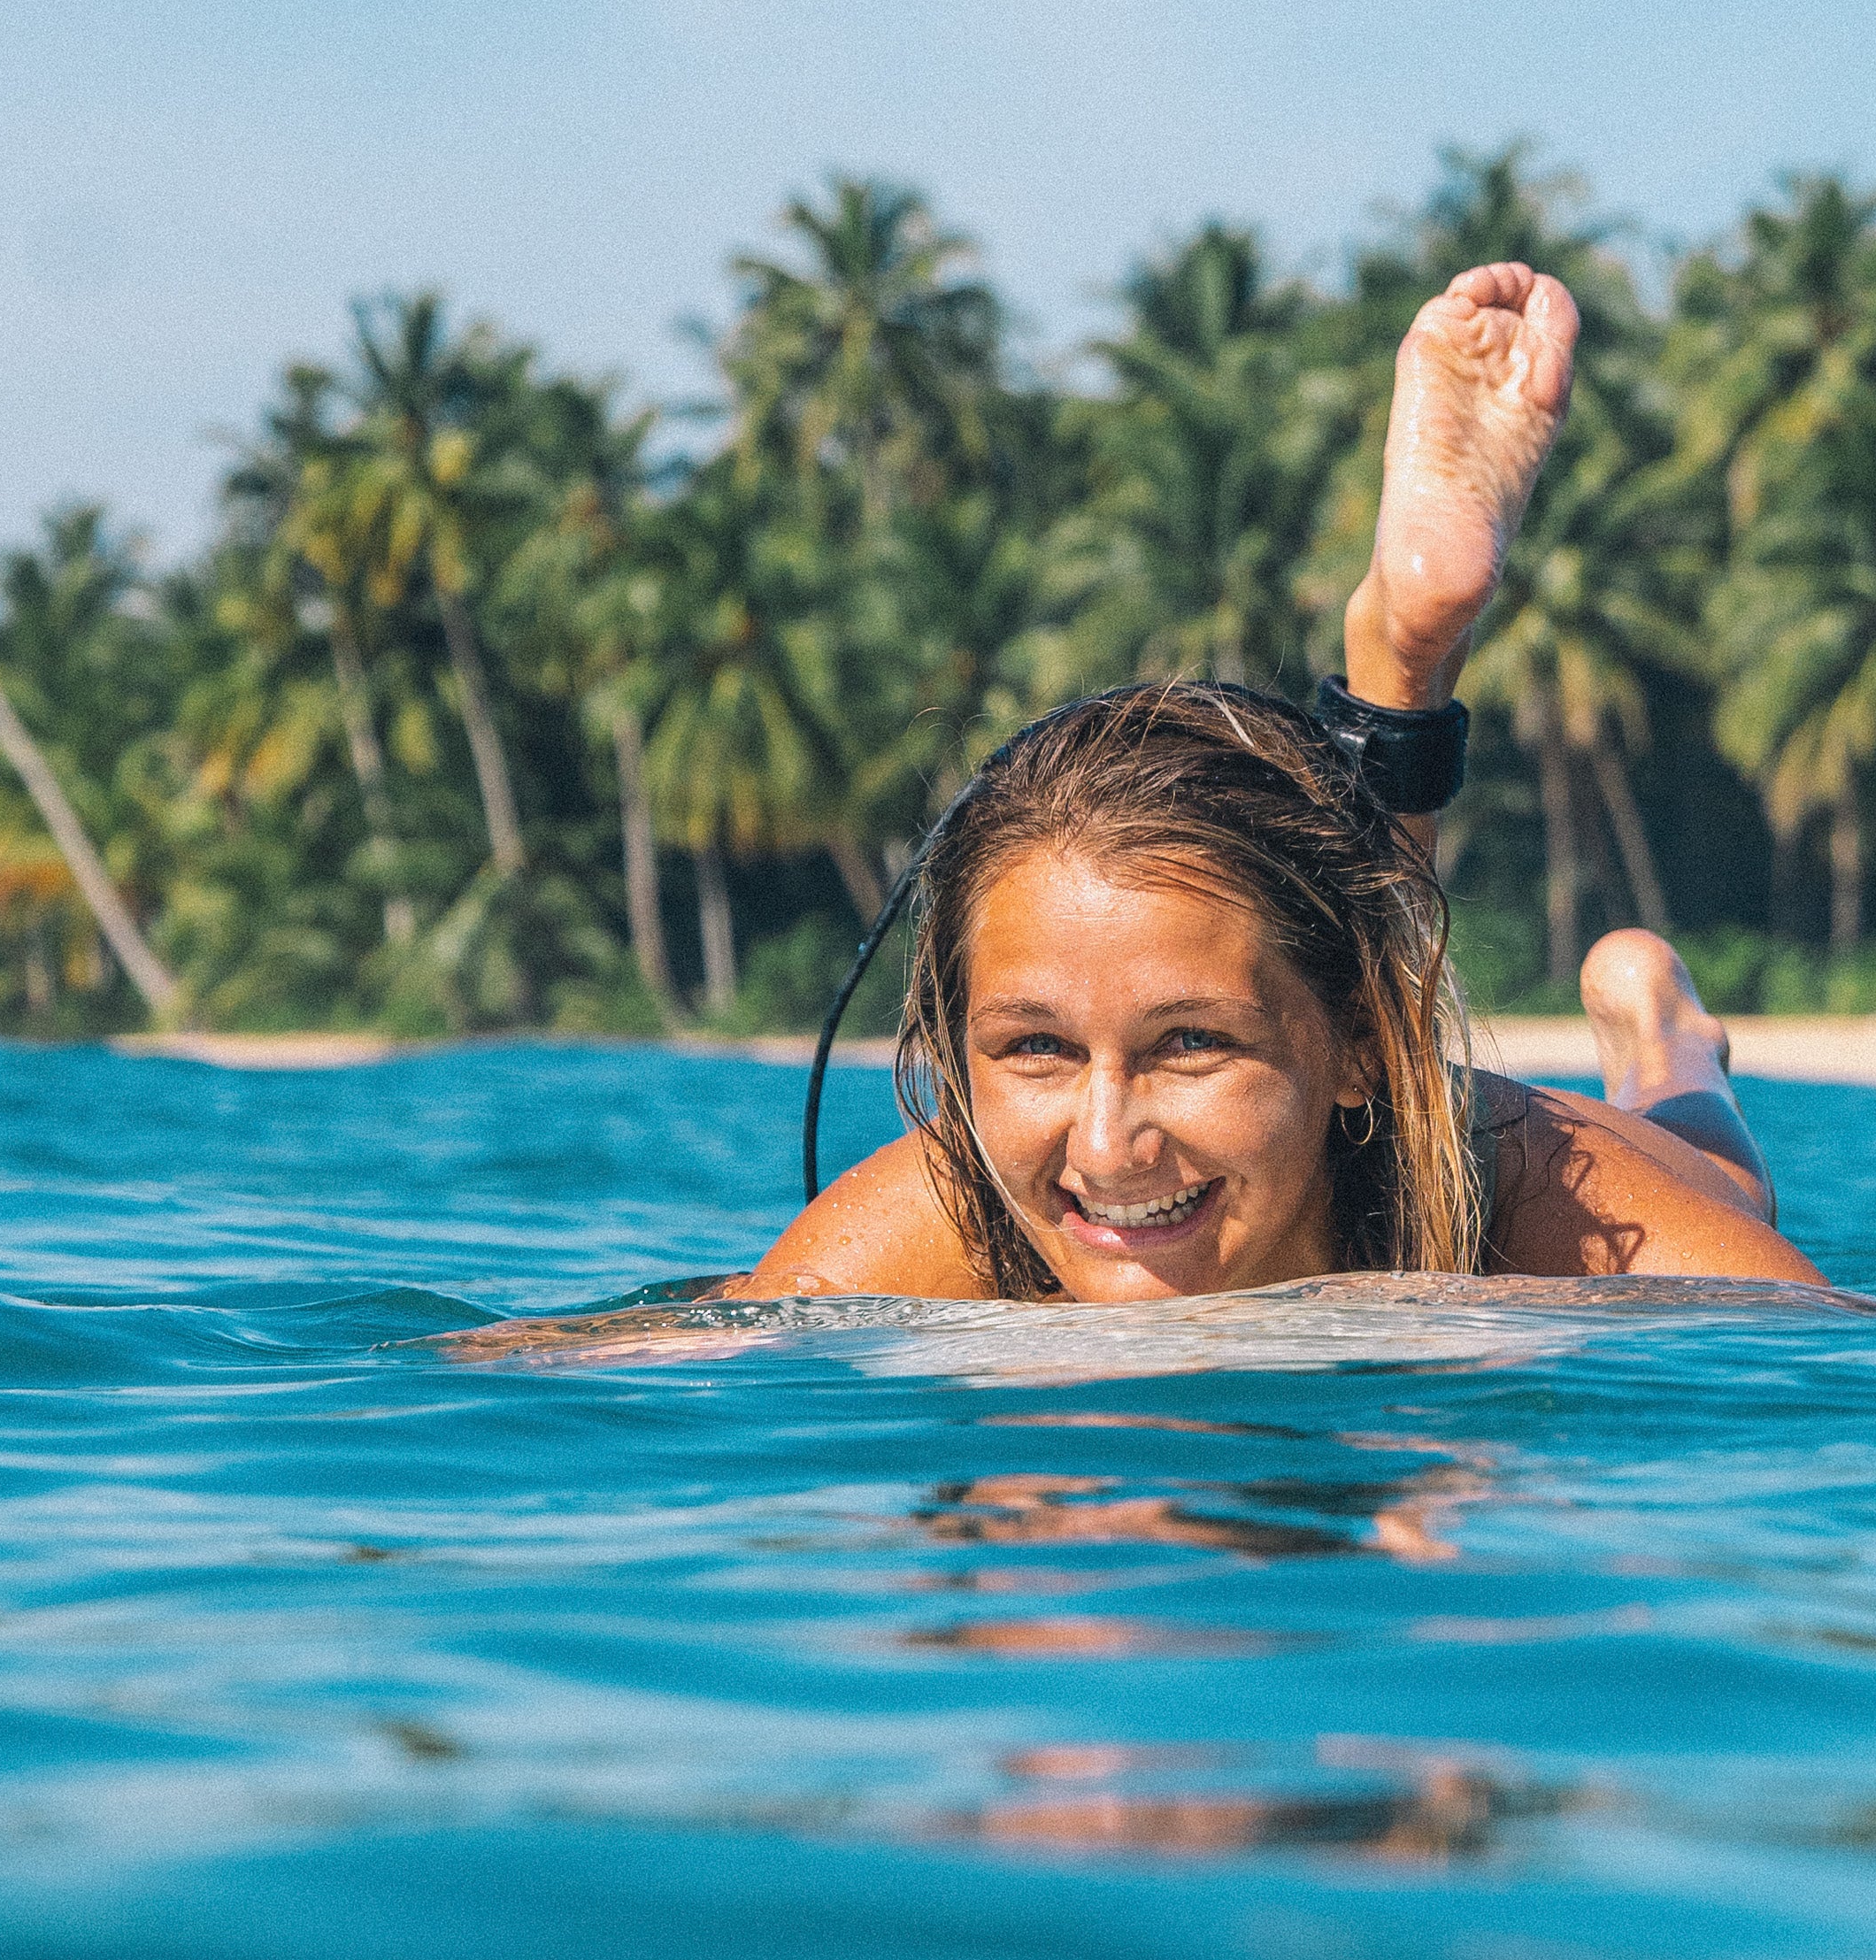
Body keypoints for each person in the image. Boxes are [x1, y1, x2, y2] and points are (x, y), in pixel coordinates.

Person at [734, 260, 1821, 1302]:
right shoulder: (935, 1222)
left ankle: (1664, 1037)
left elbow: (1858, 1358)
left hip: (1427, 1168)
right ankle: (1400, 661)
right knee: (1312, 925)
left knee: (1723, 1178)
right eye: (1035, 1046)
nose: (1108, 1147)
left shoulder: (1537, 1206)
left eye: (1193, 1043)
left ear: (1360, 1051)